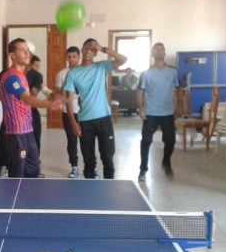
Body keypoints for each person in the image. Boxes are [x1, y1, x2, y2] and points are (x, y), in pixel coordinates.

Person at [63, 39, 127, 179]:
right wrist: (73, 123)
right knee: (89, 161)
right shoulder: (73, 74)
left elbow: (123, 59)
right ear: (82, 50)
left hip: (104, 119)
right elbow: (68, 101)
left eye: (92, 49)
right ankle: (90, 188)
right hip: (85, 121)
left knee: (108, 159)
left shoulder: (102, 66)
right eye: (86, 48)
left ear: (95, 53)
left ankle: (109, 186)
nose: (88, 51)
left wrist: (103, 48)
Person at [0, 39, 63, 178]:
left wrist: (53, 97)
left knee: (33, 169)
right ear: (12, 55)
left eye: (28, 50)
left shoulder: (22, 75)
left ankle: (25, 190)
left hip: (28, 130)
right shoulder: (11, 77)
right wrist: (48, 104)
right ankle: (15, 191)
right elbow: (27, 99)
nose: (27, 53)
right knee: (18, 171)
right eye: (22, 50)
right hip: (16, 133)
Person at [136, 43, 180, 182]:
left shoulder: (173, 72)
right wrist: (141, 109)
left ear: (164, 53)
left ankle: (166, 162)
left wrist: (178, 108)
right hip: (151, 113)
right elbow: (140, 92)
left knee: (170, 141)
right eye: (157, 50)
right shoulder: (146, 74)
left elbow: (178, 89)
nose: (160, 52)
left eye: (162, 49)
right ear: (153, 54)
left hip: (167, 113)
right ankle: (143, 170)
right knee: (146, 141)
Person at [55, 46, 81, 178]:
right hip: (68, 112)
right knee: (72, 140)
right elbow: (58, 94)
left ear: (79, 57)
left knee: (87, 140)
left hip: (85, 112)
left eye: (74, 56)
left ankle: (91, 167)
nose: (71, 59)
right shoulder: (61, 74)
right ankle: (74, 166)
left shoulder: (85, 72)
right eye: (69, 57)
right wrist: (61, 100)